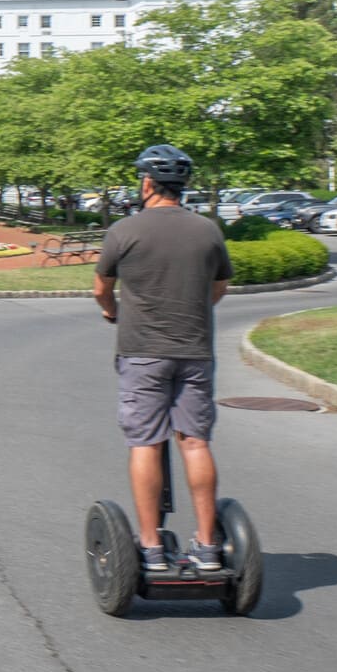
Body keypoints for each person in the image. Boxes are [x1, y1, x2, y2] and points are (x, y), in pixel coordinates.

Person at [93, 144, 234, 573]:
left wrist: (112, 312)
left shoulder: (124, 230)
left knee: (146, 442)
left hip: (142, 353)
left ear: (148, 183)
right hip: (194, 351)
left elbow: (102, 288)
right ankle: (208, 547)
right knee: (194, 442)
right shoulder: (208, 230)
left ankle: (151, 547)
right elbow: (219, 287)